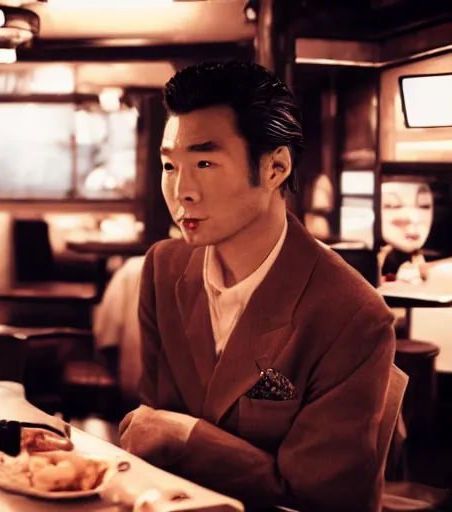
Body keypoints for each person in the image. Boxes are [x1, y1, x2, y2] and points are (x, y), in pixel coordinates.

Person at [119, 61, 397, 511]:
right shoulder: (163, 267)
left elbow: (323, 497)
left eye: (205, 162)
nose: (182, 191)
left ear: (275, 168)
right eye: (170, 165)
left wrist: (187, 435)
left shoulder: (352, 314)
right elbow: (152, 431)